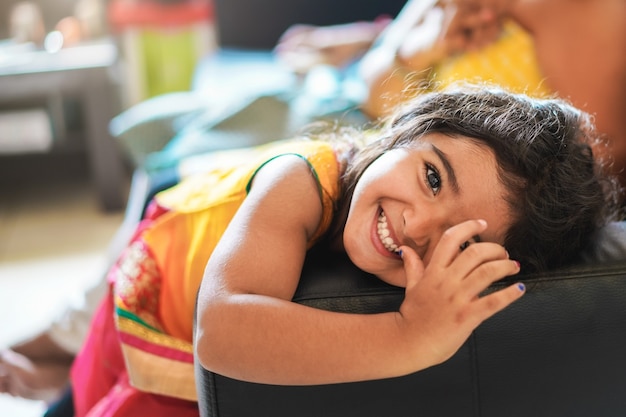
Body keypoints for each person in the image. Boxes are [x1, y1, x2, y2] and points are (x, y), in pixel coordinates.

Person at [67, 85, 620, 416]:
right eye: (431, 177)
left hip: (191, 350)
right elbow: (220, 330)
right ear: (405, 131)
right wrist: (408, 336)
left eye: (462, 240)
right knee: (93, 391)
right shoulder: (299, 179)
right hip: (152, 289)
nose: (417, 225)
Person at [358, 0, 626, 188]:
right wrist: (421, 49)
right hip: (380, 159)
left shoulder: (586, 10)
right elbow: (371, 97)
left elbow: (603, 162)